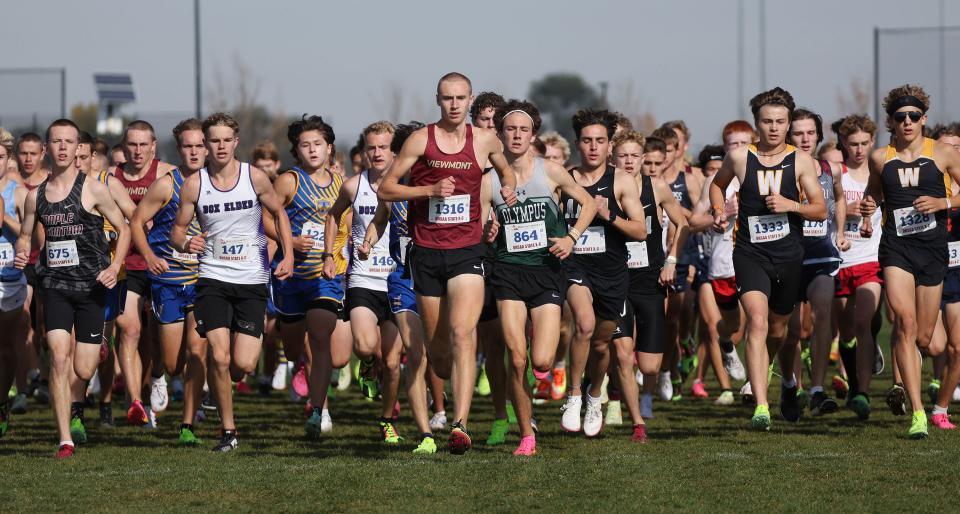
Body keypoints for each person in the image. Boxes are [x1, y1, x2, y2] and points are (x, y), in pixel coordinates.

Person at [377, 72, 518, 454]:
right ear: (437, 100)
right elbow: (386, 187)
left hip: (468, 250)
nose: (454, 105)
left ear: (470, 100)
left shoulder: (485, 139)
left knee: (462, 333)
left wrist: (506, 188)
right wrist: (428, 190)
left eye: (460, 98)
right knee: (438, 355)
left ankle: (460, 424)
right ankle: (442, 383)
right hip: (426, 252)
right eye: (446, 98)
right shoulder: (421, 139)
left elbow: (505, 170)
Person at [171, 112, 294, 452]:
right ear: (206, 143)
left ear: (236, 142)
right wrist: (185, 243)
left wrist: (288, 254)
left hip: (251, 280)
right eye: (214, 140)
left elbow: (279, 214)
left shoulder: (253, 178)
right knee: (220, 358)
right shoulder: (195, 184)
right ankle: (228, 430)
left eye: (227, 139)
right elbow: (177, 230)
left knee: (243, 364)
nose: (220, 146)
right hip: (212, 278)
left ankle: (227, 384)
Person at [709, 87, 827, 430]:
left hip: (789, 255)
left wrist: (791, 205)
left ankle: (787, 383)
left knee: (780, 331)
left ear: (788, 124)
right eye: (767, 121)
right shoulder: (740, 158)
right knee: (757, 323)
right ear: (756, 123)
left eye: (780, 122)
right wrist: (719, 211)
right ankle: (761, 405)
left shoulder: (801, 161)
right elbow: (718, 185)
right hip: (750, 253)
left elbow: (819, 209)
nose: (773, 128)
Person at [482, 100, 595, 453]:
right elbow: (480, 225)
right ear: (499, 134)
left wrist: (571, 237)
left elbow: (589, 203)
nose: (516, 135)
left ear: (533, 135)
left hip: (546, 272)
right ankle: (527, 434)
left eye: (523, 130)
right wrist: (487, 229)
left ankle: (548, 388)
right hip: (508, 273)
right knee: (516, 358)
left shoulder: (550, 171)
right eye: (510, 129)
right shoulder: (487, 181)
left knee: (542, 360)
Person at [14, 119, 130, 458]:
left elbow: (123, 227)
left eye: (69, 141)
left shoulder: (92, 188)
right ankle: (64, 438)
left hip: (91, 288)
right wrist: (24, 251)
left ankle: (99, 347)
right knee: (59, 361)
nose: (63, 147)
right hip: (56, 287)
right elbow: (25, 233)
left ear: (78, 148)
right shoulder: (36, 196)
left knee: (83, 368)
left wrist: (114, 266)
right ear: (48, 147)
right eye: (57, 141)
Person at [861, 85, 960, 439]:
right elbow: (875, 191)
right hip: (896, 248)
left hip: (933, 250)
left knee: (924, 337)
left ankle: (921, 391)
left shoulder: (944, 153)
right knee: (903, 322)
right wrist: (868, 211)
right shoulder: (880, 157)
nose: (907, 122)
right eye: (900, 116)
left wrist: (943, 203)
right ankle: (918, 412)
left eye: (913, 116)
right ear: (891, 120)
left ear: (924, 119)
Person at [558, 108, 647, 437]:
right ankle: (573, 395)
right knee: (583, 323)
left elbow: (640, 231)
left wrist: (610, 215)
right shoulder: (565, 179)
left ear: (610, 145)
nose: (593, 147)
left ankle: (595, 394)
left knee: (600, 344)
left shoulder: (621, 180)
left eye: (600, 141)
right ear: (577, 143)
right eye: (586, 140)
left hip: (611, 270)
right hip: (574, 265)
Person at [265, 115, 349, 438]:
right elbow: (266, 219)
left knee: (320, 339)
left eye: (318, 144)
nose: (312, 150)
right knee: (297, 345)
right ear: (297, 150)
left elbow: (347, 223)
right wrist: (291, 242)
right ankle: (299, 365)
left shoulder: (343, 183)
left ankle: (320, 409)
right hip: (291, 277)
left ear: (329, 148)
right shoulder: (288, 181)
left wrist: (342, 251)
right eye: (305, 145)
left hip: (325, 275)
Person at [361, 121, 439, 454]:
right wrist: (368, 240)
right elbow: (381, 218)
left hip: (439, 282)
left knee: (441, 357)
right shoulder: (395, 188)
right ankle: (426, 434)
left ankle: (447, 410)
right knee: (415, 355)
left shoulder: (443, 186)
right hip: (403, 282)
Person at [130, 118, 208, 445]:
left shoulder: (218, 184)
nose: (194, 152)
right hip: (169, 280)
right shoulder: (166, 184)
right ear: (179, 150)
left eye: (199, 145)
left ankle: (187, 424)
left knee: (197, 351)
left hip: (205, 281)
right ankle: (159, 373)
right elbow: (135, 222)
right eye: (187, 146)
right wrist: (149, 257)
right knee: (175, 362)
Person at [610, 129, 688, 440]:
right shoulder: (605, 188)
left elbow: (682, 224)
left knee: (651, 366)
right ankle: (625, 410)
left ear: (643, 158)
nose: (628, 161)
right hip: (616, 281)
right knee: (620, 351)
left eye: (633, 156)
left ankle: (639, 394)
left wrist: (671, 261)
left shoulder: (656, 187)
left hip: (650, 280)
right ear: (613, 159)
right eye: (622, 156)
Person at [112, 120, 175, 426]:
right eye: (131, 145)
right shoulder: (112, 178)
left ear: (153, 147)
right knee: (129, 329)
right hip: (127, 266)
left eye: (142, 145)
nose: (137, 151)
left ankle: (159, 375)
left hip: (162, 264)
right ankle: (136, 401)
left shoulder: (167, 174)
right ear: (123, 147)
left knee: (159, 336)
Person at [787, 109, 849, 416]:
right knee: (793, 328)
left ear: (819, 135)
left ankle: (817, 389)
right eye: (798, 133)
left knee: (823, 313)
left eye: (810, 132)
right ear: (789, 136)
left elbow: (838, 197)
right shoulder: (780, 167)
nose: (805, 138)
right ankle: (793, 389)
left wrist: (839, 231)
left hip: (822, 252)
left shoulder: (830, 168)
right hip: (788, 255)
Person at [833, 114, 885, 419]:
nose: (859, 149)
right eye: (853, 143)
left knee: (864, 324)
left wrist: (874, 212)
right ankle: (853, 383)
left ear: (872, 142)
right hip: (840, 260)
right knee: (845, 331)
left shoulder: (880, 173)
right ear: (843, 143)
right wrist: (843, 210)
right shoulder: (836, 173)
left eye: (865, 143)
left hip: (870, 258)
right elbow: (821, 208)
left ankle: (863, 392)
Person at [0, 128, 27, 438]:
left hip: (9, 278)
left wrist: (4, 217)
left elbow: (30, 235)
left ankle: (2, 401)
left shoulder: (18, 193)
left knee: (5, 348)